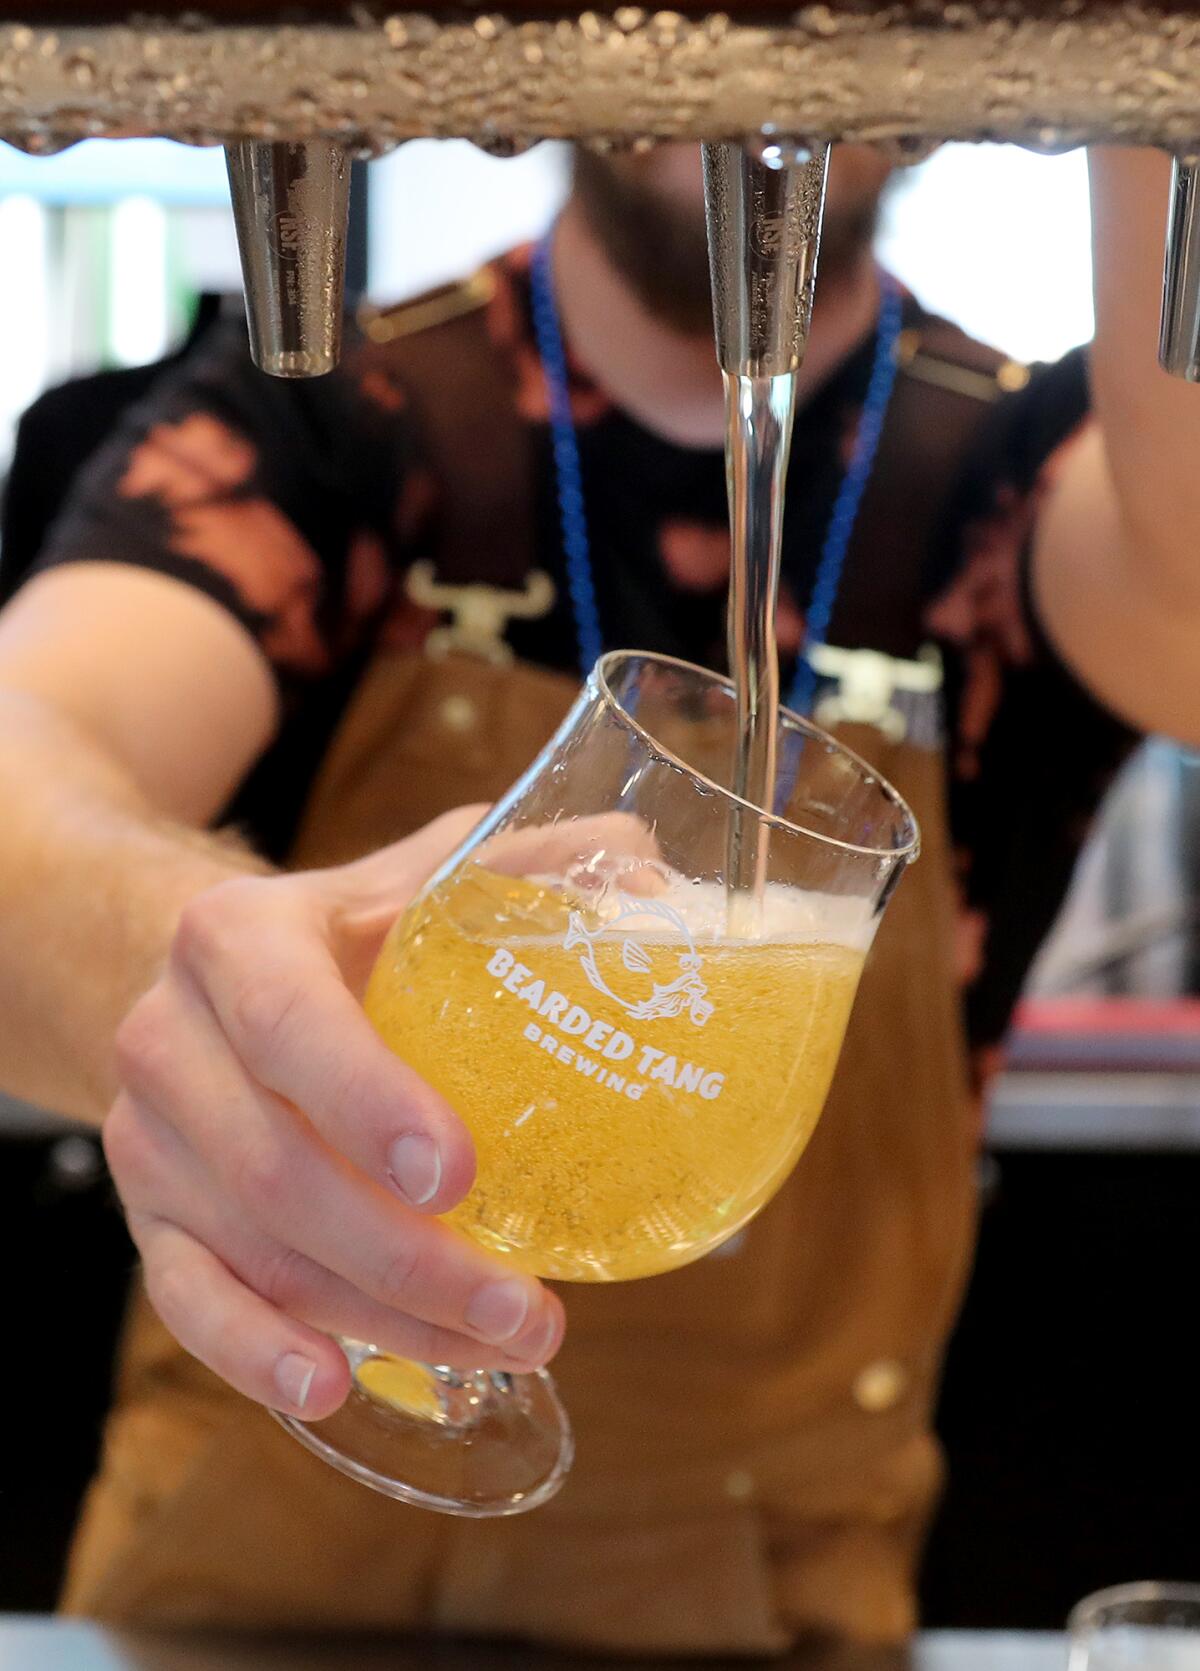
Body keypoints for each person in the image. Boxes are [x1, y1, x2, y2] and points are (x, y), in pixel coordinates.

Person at [0, 141, 1195, 1655]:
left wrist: (1159, 96)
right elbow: (20, 776)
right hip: (251, 1575)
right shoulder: (333, 407)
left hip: (768, 1606)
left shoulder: (1024, 473)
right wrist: (215, 973)